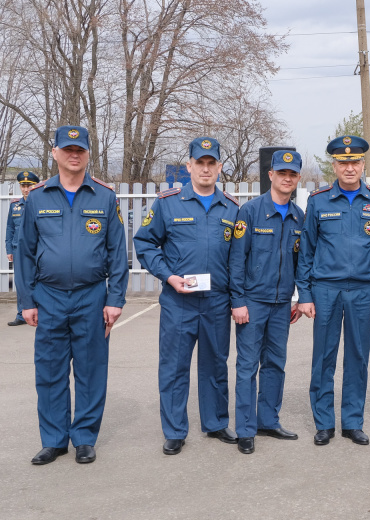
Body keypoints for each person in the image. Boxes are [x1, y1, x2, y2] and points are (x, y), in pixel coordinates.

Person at [16, 125, 128, 465]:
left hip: (92, 296)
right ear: (55, 153)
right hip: (48, 296)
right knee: (49, 370)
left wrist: (115, 299)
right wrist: (26, 302)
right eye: (67, 149)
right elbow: (24, 254)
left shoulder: (105, 197)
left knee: (91, 369)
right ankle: (53, 440)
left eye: (79, 149)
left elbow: (117, 253)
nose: (74, 154)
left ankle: (84, 437)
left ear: (88, 154)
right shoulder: (37, 197)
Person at [134, 137, 240, 455]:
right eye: (200, 163)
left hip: (217, 301)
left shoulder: (231, 208)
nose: (206, 169)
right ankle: (175, 430)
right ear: (190, 166)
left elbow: (237, 258)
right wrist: (168, 276)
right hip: (179, 300)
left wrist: (237, 299)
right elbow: (144, 244)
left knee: (215, 365)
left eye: (212, 163)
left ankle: (216, 423)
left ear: (219, 167)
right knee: (175, 366)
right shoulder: (168, 203)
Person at [296, 135, 370, 446]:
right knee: (323, 357)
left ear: (363, 165)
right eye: (342, 163)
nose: (349, 168)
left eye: (354, 162)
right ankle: (324, 422)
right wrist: (305, 295)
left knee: (357, 357)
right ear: (334, 166)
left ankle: (352, 422)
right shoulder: (318, 201)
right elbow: (306, 252)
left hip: (364, 291)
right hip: (325, 289)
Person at [229, 150, 305, 454]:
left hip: (282, 303)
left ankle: (268, 420)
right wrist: (238, 301)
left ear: (298, 178)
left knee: (275, 364)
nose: (287, 178)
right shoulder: (250, 212)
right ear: (271, 175)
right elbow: (236, 260)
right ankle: (245, 429)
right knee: (247, 366)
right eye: (282, 173)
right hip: (253, 302)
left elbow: (301, 262)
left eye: (293, 174)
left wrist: (298, 298)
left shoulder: (299, 217)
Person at [6, 170, 40, 326]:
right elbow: (10, 228)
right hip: (18, 250)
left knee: (39, 280)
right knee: (20, 282)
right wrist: (9, 250)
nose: (26, 189)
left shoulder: (39, 204)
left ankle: (40, 312)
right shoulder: (15, 206)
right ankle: (21, 314)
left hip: (37, 250)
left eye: (29, 186)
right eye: (23, 186)